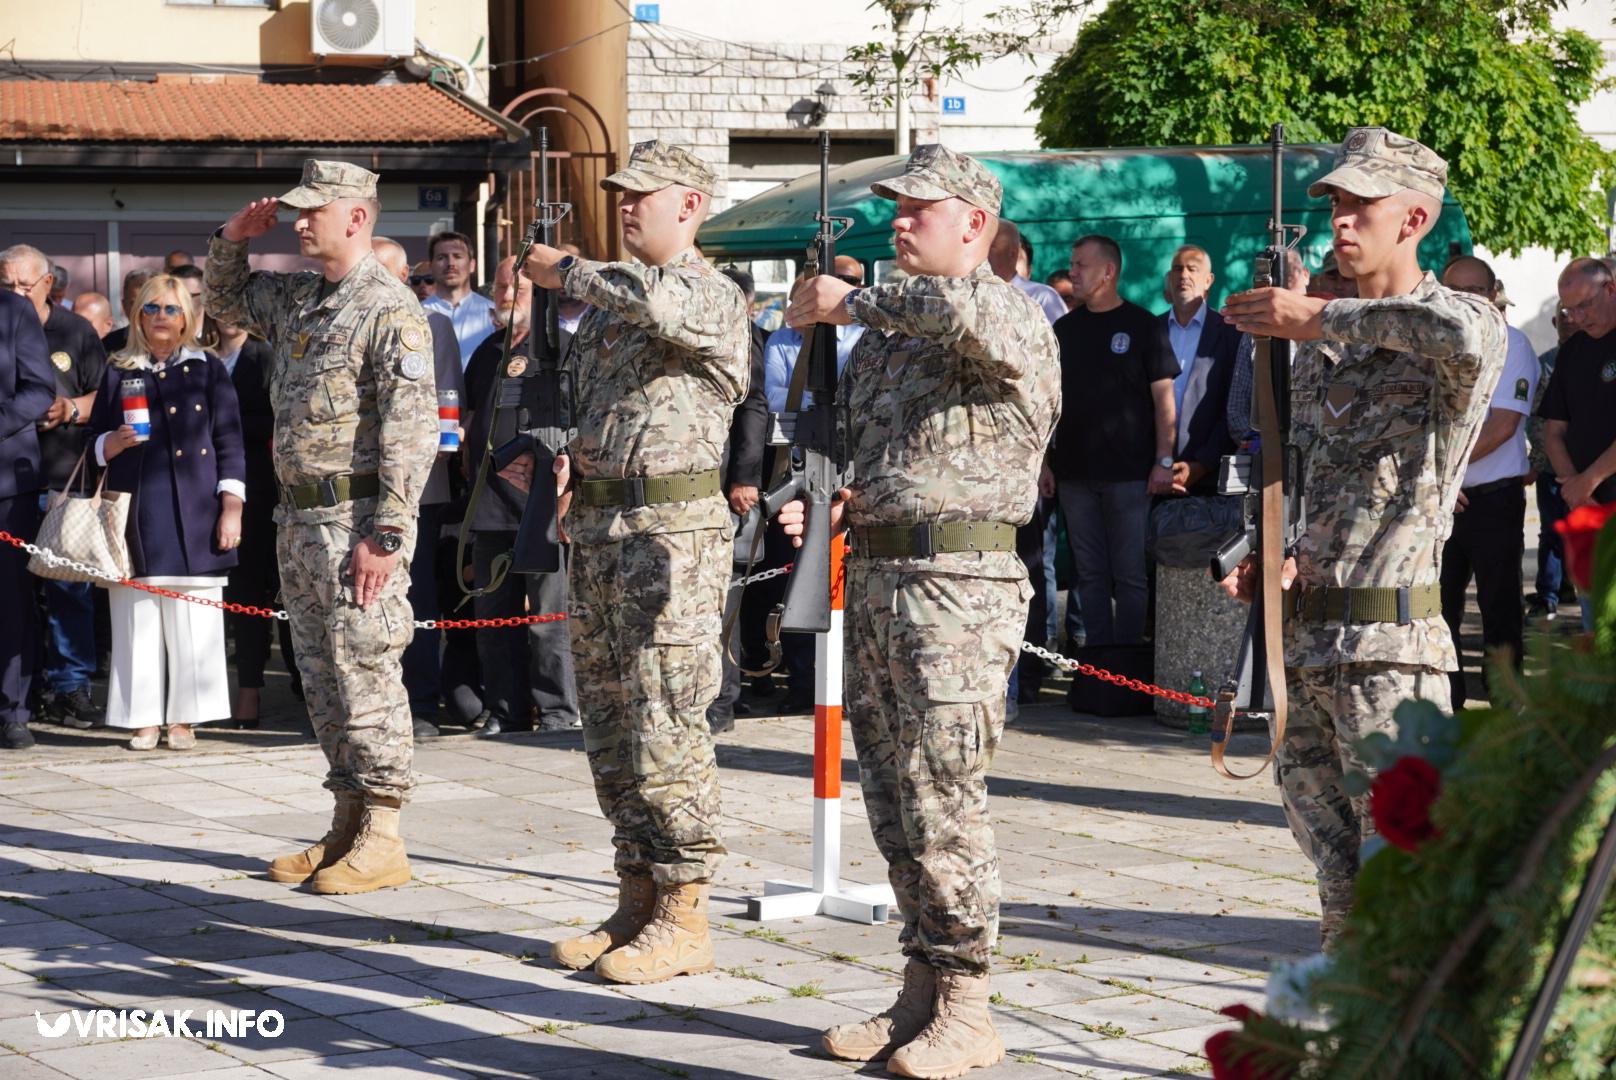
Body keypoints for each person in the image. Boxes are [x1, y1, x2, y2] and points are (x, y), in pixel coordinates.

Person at [777, 143, 1061, 1078]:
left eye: (919, 210)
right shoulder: (894, 338)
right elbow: (886, 453)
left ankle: (971, 1006)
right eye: (896, 209)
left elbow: (959, 314)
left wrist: (846, 300)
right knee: (895, 801)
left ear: (975, 225)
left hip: (959, 595)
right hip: (884, 581)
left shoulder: (1002, 313)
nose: (898, 222)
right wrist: (834, 497)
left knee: (945, 800)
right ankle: (923, 988)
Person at [1219, 126, 1507, 946]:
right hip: (1309, 642)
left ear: (1414, 219)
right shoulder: (1317, 351)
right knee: (1338, 885)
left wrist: (1315, 315)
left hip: (1392, 651)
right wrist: (1274, 559)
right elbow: (1308, 481)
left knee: (1405, 879)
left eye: (1361, 205)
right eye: (1336, 204)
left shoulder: (1458, 324)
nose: (1342, 221)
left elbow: (1462, 335)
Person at [510, 139, 747, 984]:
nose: (625, 204)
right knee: (611, 725)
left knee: (666, 721)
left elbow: (652, 300)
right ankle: (637, 893)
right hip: (605, 530)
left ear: (690, 204)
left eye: (642, 194)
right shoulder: (614, 306)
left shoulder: (709, 294)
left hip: (670, 535)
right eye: (621, 192)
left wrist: (563, 268)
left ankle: (686, 910)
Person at [205, 159, 437, 894]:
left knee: (366, 670)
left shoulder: (388, 307)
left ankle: (385, 833)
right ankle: (346, 820)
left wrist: (387, 535)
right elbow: (225, 301)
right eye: (296, 211)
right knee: (322, 675)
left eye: (314, 212)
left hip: (356, 520)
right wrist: (232, 237)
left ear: (357, 217)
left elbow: (411, 431)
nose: (300, 222)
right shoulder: (306, 298)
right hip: (300, 518)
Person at [90, 276, 245, 750]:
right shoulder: (117, 368)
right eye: (152, 307)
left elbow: (230, 443)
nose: (161, 316)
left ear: (188, 317)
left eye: (172, 309)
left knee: (193, 619)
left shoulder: (209, 368)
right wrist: (108, 444)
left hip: (198, 510)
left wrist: (232, 510)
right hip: (136, 514)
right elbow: (89, 440)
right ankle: (142, 719)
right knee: (136, 618)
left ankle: (185, 718)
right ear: (138, 314)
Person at [460, 255, 580, 737]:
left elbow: (583, 421)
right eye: (501, 287)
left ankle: (556, 713)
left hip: (544, 507)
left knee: (548, 621)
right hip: (489, 508)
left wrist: (570, 490)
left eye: (518, 289)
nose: (506, 296)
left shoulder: (566, 350)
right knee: (494, 620)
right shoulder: (488, 350)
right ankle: (505, 711)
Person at [1042, 234, 1178, 646]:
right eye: (1072, 264)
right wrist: (1045, 463)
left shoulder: (1143, 326)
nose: (1072, 273)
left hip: (1130, 476)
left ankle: (1128, 662)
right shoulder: (1063, 329)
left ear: (1108, 272)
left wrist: (1164, 461)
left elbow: (1164, 401)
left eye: (1081, 265)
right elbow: (1047, 404)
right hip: (1074, 476)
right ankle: (1098, 669)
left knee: (1130, 575)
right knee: (1089, 574)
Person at [0, 244, 106, 731]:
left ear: (50, 284)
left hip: (64, 475)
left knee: (68, 591)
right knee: (17, 597)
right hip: (18, 477)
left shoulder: (75, 331)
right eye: (10, 285)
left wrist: (71, 409)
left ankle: (71, 687)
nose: (19, 293)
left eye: (27, 285)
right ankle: (27, 690)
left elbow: (104, 395)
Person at [373, 235, 465, 739]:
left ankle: (421, 701)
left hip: (419, 486)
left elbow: (447, 402)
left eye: (386, 271)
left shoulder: (433, 325)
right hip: (360, 484)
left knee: (418, 596)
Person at [1437, 256, 1535, 705]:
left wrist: (1445, 471)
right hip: (1441, 500)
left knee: (1500, 611)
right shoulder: (1432, 344)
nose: (1465, 300)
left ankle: (1507, 709)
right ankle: (1447, 706)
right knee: (1438, 611)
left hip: (1492, 499)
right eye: (1456, 290)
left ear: (1493, 292)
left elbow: (1502, 426)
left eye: (1475, 291)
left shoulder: (1513, 344)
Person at [213, 316, 299, 728]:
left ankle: (292, 682)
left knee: (276, 590)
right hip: (213, 491)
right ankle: (247, 687)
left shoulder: (265, 356)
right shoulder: (203, 359)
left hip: (266, 490)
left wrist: (221, 426)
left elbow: (282, 419)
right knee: (242, 595)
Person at [707, 265, 769, 735]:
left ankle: (722, 704)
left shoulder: (742, 335)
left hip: (726, 480)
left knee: (724, 600)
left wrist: (744, 477)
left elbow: (753, 408)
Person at [1540, 257, 1616, 633]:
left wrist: (1589, 479)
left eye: (1585, 305)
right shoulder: (1572, 352)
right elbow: (1553, 430)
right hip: (1587, 509)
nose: (1578, 317)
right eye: (1570, 309)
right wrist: (1575, 487)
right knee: (1596, 627)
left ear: (1611, 288)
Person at [0, 288, 57, 750]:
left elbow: (39, 389)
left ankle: (13, 710)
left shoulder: (12, 309)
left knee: (10, 600)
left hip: (5, 486)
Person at [1160, 244, 1241, 494]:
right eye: (1177, 269)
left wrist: (1202, 464)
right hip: (1153, 475)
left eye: (1192, 269)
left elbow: (1234, 405)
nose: (1183, 275)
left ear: (1208, 280)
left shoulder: (1229, 332)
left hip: (1208, 476)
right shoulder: (1151, 330)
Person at [1224, 250, 1309, 441]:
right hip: (1268, 452)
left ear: (1306, 275)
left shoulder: (1328, 327)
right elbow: (1237, 409)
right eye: (1275, 279)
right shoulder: (1254, 333)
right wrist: (1261, 443)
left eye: (1288, 276)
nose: (1282, 287)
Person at [1526, 315, 1576, 620]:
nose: (1573, 321)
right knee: (1553, 532)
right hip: (1551, 468)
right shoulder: (1545, 365)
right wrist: (1543, 460)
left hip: (1591, 468)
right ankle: (1548, 595)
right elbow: (1534, 420)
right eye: (1566, 316)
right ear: (1556, 322)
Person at [422, 230, 497, 363]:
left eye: (457, 256)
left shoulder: (493, 314)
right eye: (441, 257)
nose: (451, 264)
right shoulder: (417, 314)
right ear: (430, 266)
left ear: (472, 265)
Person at [990, 221, 1066, 323]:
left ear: (1012, 254)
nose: (984, 254)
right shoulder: (972, 290)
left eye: (991, 247)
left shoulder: (1042, 296)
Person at [102, 268, 157, 355]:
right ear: (124, 306)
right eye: (135, 304)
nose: (142, 311)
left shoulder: (176, 346)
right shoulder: (107, 346)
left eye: (150, 305)